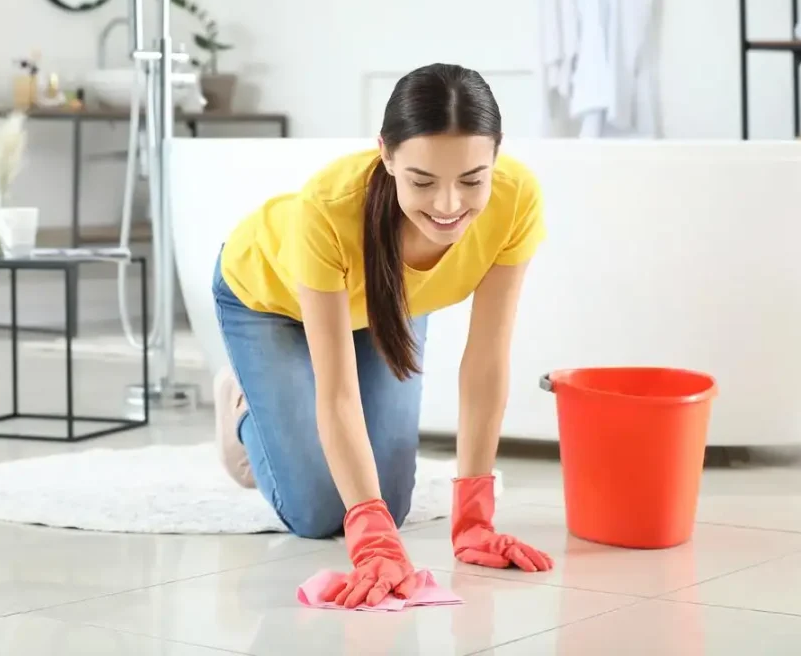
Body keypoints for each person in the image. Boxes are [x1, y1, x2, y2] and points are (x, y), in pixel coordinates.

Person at [211, 62, 554, 609]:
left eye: (471, 180)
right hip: (268, 300)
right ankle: (246, 405)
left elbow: (486, 359)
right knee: (322, 515)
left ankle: (283, 413)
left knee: (388, 506)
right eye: (422, 181)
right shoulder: (326, 209)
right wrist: (366, 537)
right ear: (386, 155)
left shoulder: (517, 201)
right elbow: (338, 388)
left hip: (383, 306)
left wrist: (473, 517)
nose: (447, 206)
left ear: (495, 156)